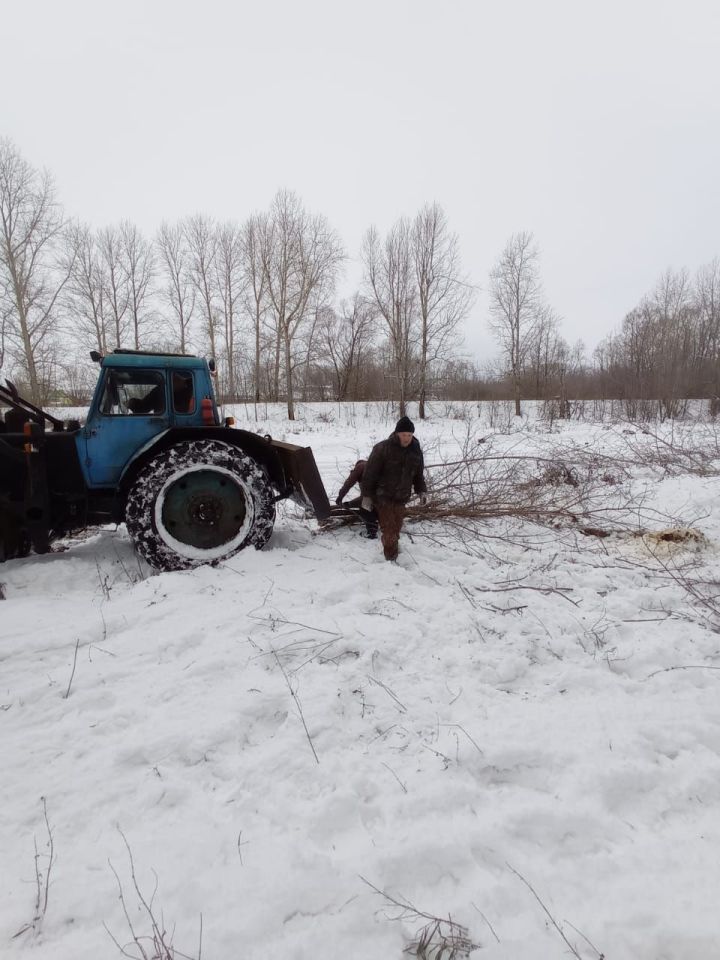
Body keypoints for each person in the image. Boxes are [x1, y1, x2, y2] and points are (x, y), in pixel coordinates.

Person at [360, 415, 427, 561]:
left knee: (395, 530)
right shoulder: (382, 448)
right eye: (404, 434)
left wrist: (422, 491)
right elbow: (369, 474)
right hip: (383, 495)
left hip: (401, 497)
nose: (407, 438)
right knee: (389, 530)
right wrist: (367, 496)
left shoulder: (415, 451)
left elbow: (418, 474)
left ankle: (389, 546)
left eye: (409, 435)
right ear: (397, 433)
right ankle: (391, 561)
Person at [335, 459, 378, 539]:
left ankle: (371, 533)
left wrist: (340, 497)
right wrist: (350, 503)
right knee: (372, 506)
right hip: (385, 492)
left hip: (373, 492)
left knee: (365, 509)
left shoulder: (360, 467)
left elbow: (348, 483)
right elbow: (364, 497)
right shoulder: (372, 465)